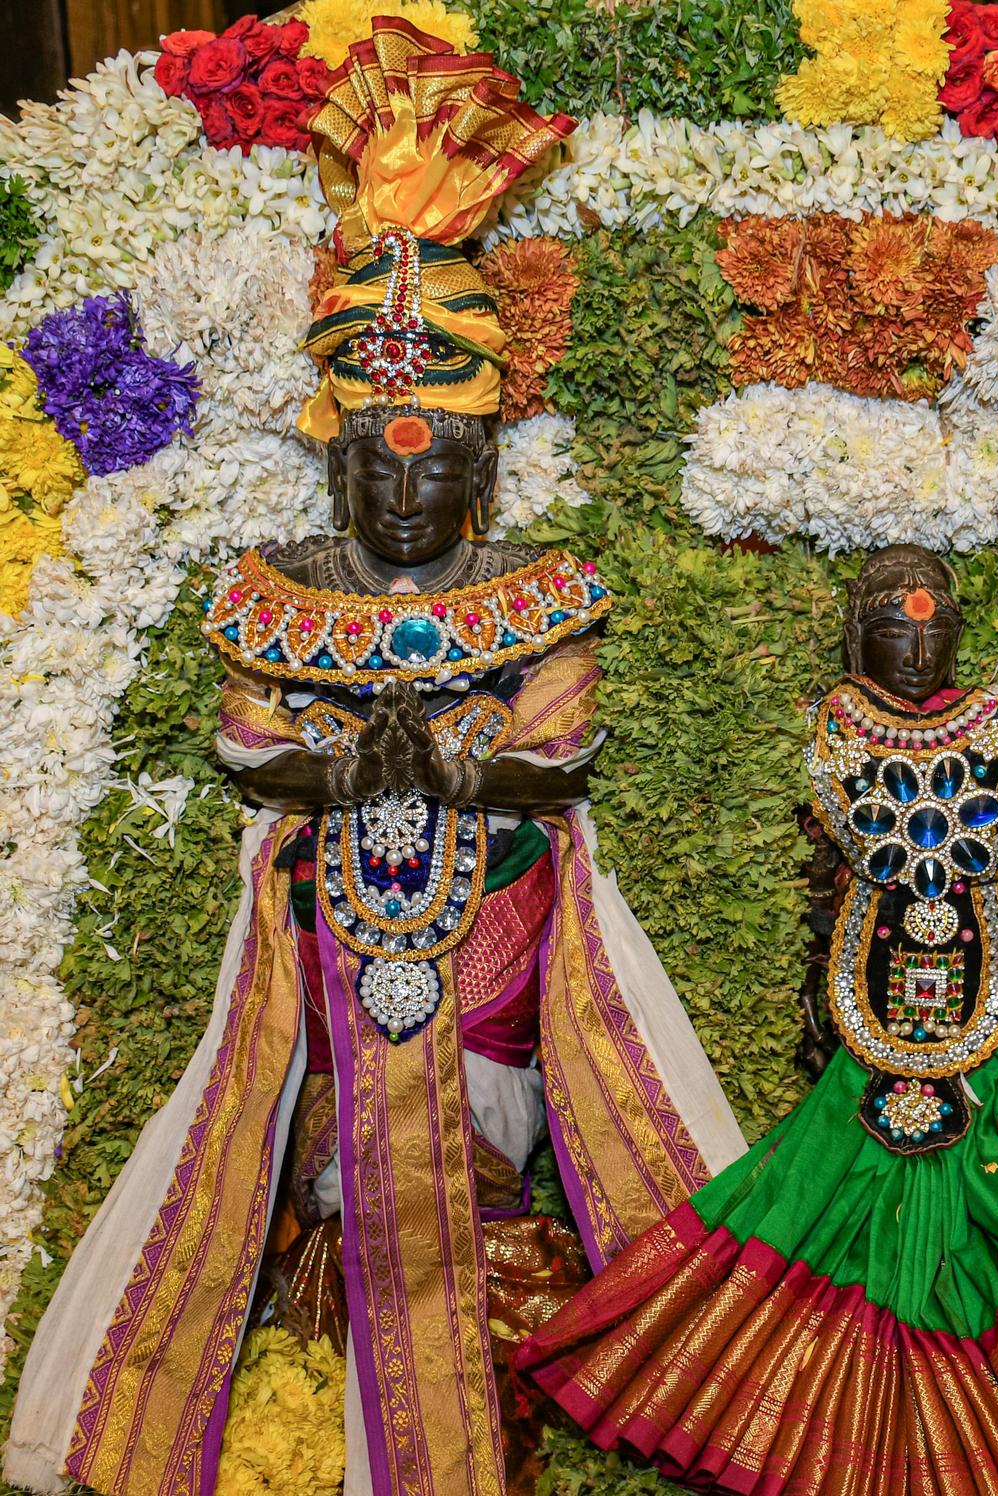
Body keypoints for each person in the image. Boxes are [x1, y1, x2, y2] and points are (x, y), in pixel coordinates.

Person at [3, 20, 744, 1496]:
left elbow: (561, 756)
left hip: (500, 921)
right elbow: (248, 745)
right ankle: (338, 1343)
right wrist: (344, 775)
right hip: (320, 925)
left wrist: (452, 772)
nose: (409, 484)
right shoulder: (277, 580)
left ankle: (484, 1338)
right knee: (315, 1150)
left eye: (439, 462)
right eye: (382, 459)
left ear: (483, 472)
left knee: (482, 1156)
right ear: (338, 459)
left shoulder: (540, 581)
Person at [515, 544, 998, 1496]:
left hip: (968, 999)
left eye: (932, 629)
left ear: (958, 637)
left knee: (953, 1180)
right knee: (823, 1174)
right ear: (858, 642)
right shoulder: (841, 730)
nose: (916, 649)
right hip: (868, 999)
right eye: (893, 633)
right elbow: (859, 838)